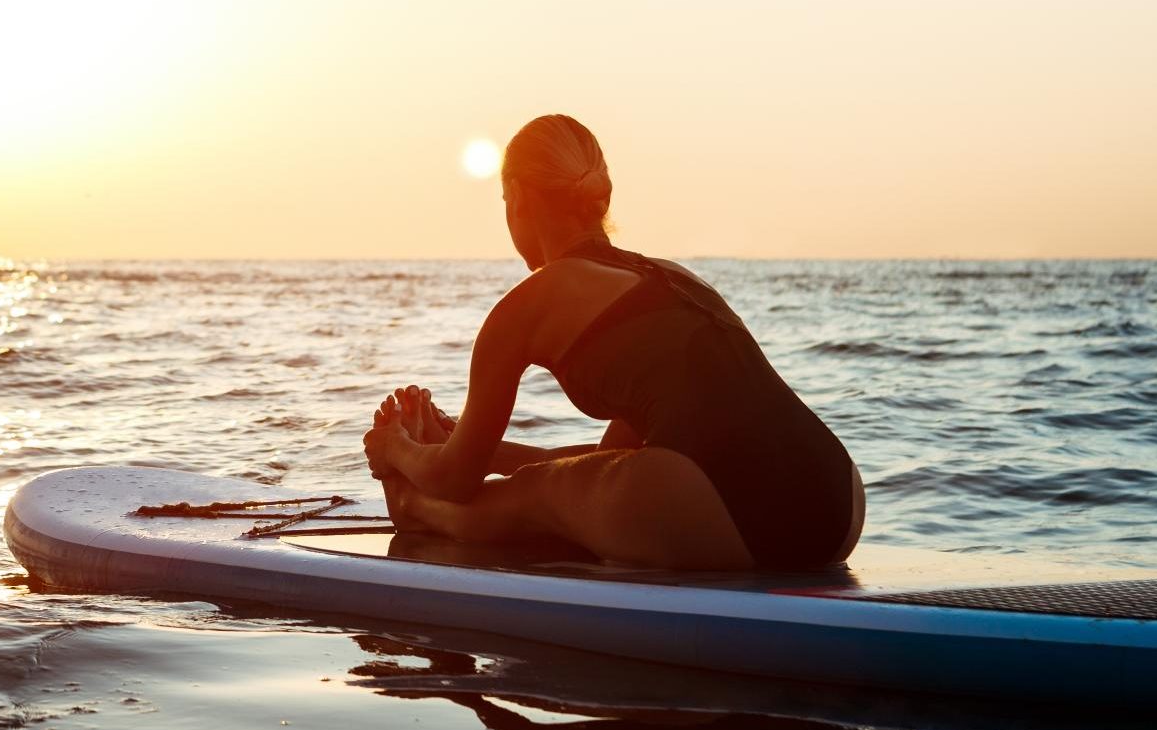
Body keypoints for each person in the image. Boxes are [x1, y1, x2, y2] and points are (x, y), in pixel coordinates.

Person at [362, 114, 864, 570]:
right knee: (581, 483)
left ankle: (413, 508)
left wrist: (397, 449)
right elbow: (611, 462)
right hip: (837, 503)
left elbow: (455, 481)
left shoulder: (527, 305)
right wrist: (477, 449)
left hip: (721, 505)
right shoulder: (673, 278)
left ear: (516, 195)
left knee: (538, 494)